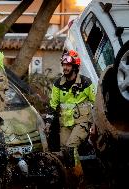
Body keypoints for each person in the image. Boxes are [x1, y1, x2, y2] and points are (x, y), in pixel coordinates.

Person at [44, 49, 96, 186]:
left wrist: (96, 124)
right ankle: (67, 180)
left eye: (68, 65)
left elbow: (96, 103)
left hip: (82, 123)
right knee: (65, 153)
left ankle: (79, 179)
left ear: (75, 66)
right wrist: (48, 123)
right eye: (64, 65)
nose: (65, 68)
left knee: (71, 147)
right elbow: (52, 105)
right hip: (65, 124)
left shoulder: (86, 83)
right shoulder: (57, 84)